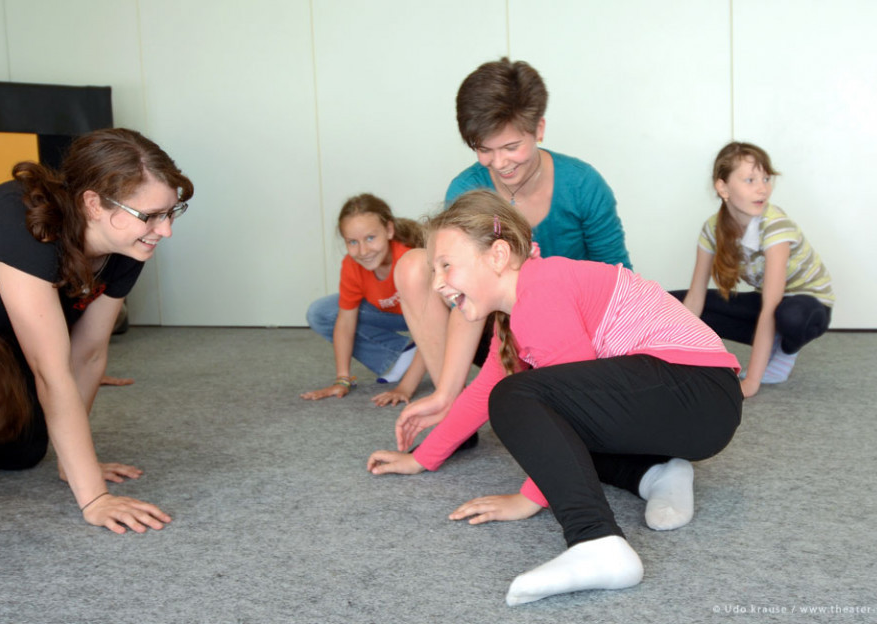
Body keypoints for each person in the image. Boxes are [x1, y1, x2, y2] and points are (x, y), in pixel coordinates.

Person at [368, 190, 743, 605]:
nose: (437, 282)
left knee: (521, 403)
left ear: (497, 255)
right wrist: (423, 457)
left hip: (697, 391)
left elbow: (558, 408)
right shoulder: (518, 307)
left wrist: (528, 499)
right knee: (543, 426)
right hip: (692, 408)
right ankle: (656, 474)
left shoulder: (542, 290)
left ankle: (597, 541)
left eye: (446, 265)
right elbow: (483, 392)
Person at [393, 58, 631, 451]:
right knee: (414, 266)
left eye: (511, 147)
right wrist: (447, 391)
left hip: (570, 334)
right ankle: (452, 410)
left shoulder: (583, 184)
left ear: (538, 128)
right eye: (484, 150)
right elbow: (464, 293)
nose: (499, 163)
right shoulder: (467, 189)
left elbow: (617, 278)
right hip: (498, 329)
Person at [0, 128, 192, 533]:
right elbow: (51, 371)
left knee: (25, 450)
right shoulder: (24, 226)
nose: (166, 230)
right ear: (93, 204)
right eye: (150, 216)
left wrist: (75, 466)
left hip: (9, 338)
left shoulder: (129, 244)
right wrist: (95, 498)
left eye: (171, 212)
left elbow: (86, 353)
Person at [672, 142, 834, 398]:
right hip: (770, 302)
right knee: (671, 303)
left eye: (766, 178)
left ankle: (786, 349)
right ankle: (772, 343)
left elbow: (771, 305)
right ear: (722, 187)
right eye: (750, 180)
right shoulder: (712, 229)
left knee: (789, 315)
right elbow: (695, 298)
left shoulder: (775, 226)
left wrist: (751, 383)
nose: (763, 189)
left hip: (808, 306)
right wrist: (675, 357)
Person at [301, 194, 426, 406]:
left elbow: (430, 327)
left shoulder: (409, 260)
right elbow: (345, 322)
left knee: (432, 337)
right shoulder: (352, 265)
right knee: (321, 312)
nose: (363, 251)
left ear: (388, 230)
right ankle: (403, 355)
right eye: (352, 242)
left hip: (433, 318)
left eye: (370, 238)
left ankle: (427, 357)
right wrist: (343, 379)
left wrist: (405, 387)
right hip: (394, 313)